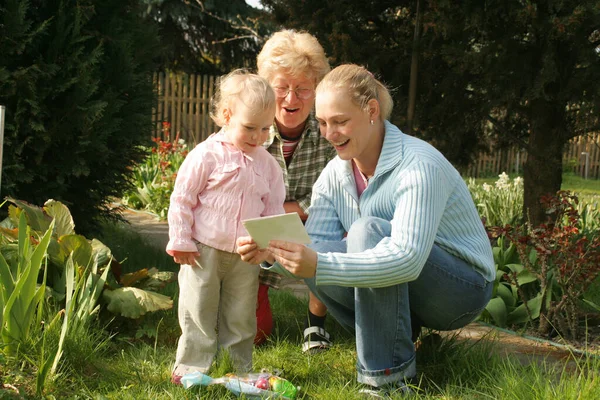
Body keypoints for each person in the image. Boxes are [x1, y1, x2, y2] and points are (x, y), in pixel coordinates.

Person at [237, 64, 495, 395]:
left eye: (340, 121)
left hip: (462, 289)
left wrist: (320, 263)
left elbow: (407, 258)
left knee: (365, 232)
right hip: (409, 287)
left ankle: (387, 380)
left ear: (371, 110)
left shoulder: (418, 165)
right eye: (323, 123)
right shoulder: (335, 173)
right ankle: (395, 353)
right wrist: (272, 250)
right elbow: (315, 246)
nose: (330, 134)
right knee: (330, 251)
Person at [166, 70, 286, 384]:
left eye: (265, 128)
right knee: (198, 309)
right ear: (226, 115)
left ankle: (240, 368)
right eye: (250, 127)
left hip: (245, 255)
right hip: (201, 249)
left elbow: (273, 208)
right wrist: (181, 239)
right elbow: (183, 199)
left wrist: (266, 245)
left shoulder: (267, 165)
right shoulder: (206, 156)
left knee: (241, 314)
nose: (258, 137)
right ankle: (192, 367)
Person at [254, 29, 337, 349]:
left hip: (318, 222)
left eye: (303, 89)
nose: (291, 99)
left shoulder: (331, 130)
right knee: (256, 333)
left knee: (337, 228)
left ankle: (316, 324)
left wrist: (296, 208)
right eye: (282, 88)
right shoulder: (249, 128)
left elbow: (339, 191)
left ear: (316, 90)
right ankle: (250, 296)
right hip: (257, 230)